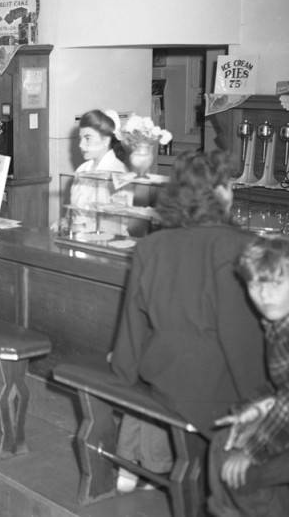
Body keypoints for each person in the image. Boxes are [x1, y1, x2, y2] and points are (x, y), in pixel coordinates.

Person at [110, 150, 268, 492]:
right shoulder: (242, 247)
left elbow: (132, 329)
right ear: (221, 192)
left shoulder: (150, 246)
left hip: (162, 376)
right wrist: (260, 402)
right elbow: (241, 340)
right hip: (213, 391)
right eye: (228, 185)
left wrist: (123, 380)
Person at [207, 236, 289, 516]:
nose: (264, 295)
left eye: (276, 283)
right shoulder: (277, 324)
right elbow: (282, 386)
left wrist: (252, 452)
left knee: (243, 475)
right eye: (256, 284)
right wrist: (252, 409)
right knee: (223, 442)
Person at [69, 109, 130, 236]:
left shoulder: (118, 173)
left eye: (87, 138)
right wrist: (65, 222)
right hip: (82, 241)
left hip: (108, 244)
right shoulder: (81, 170)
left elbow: (115, 225)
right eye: (80, 139)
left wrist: (79, 227)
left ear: (106, 140)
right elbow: (74, 214)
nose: (81, 145)